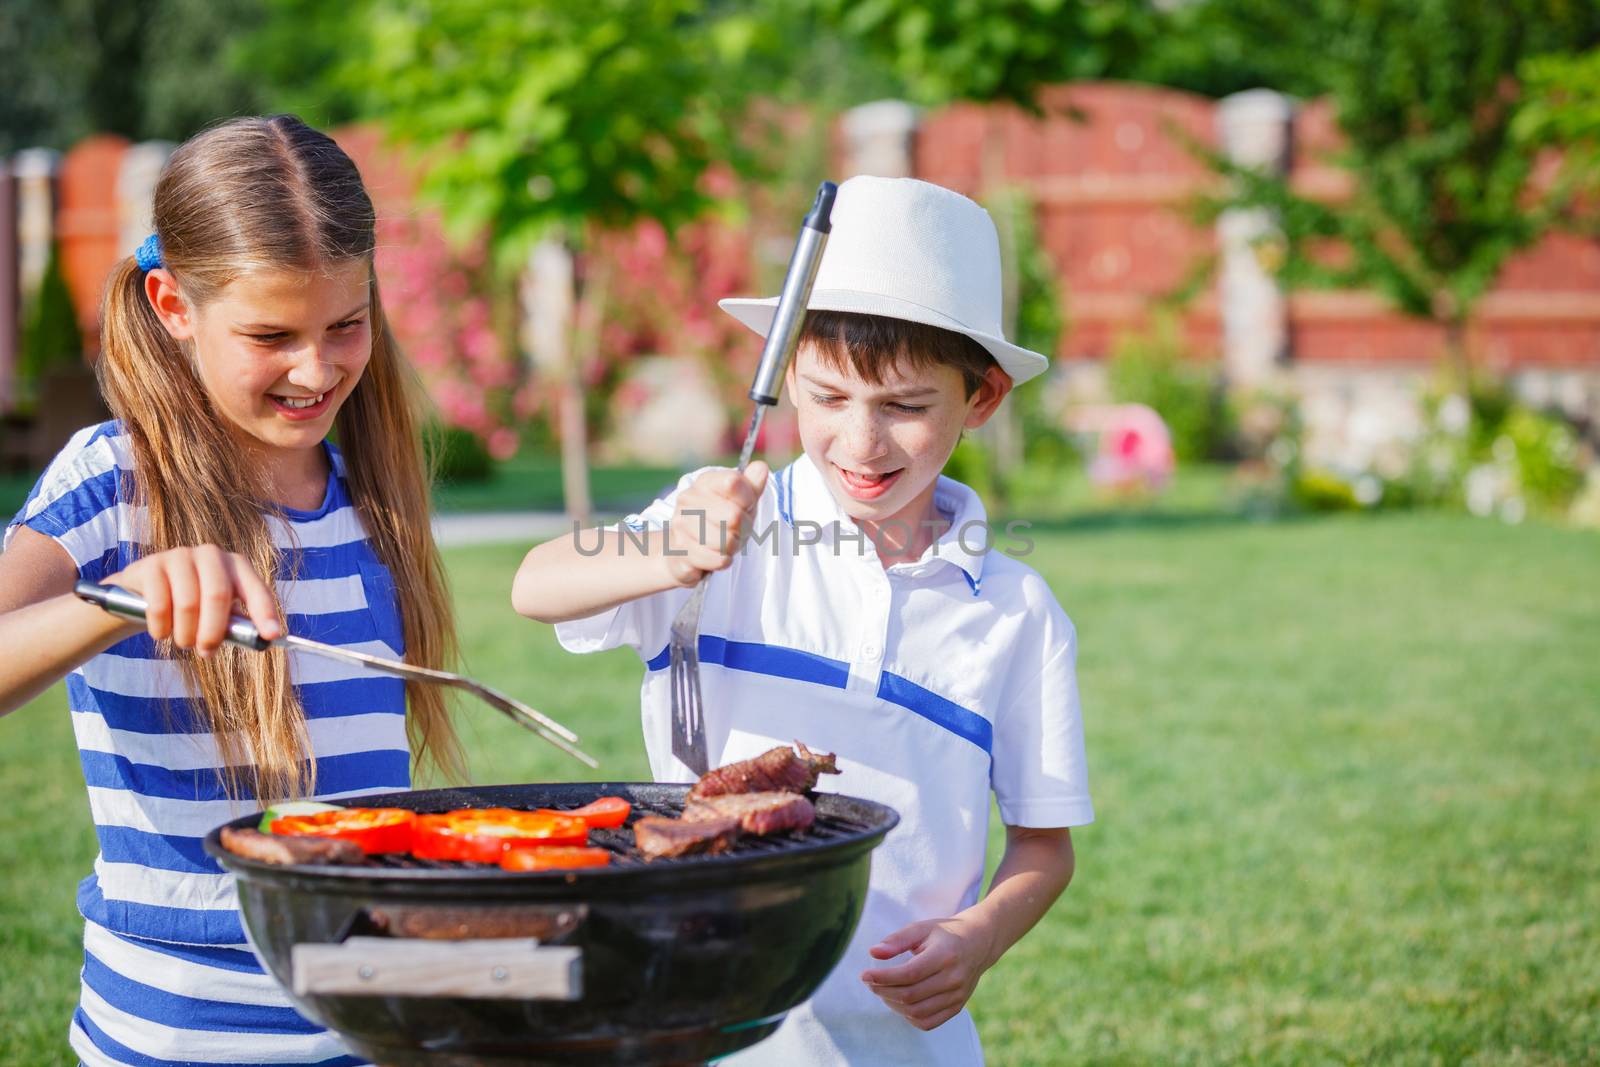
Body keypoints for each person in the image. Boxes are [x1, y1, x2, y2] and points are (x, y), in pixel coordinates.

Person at [512, 176, 1092, 1066]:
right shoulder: (717, 524)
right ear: (785, 377)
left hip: (897, 1043)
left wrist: (979, 936)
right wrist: (667, 550)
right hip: (695, 1024)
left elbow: (1044, 847)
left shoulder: (1017, 615)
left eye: (904, 405)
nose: (861, 443)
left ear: (980, 399)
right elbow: (536, 583)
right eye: (828, 398)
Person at [0, 115, 460, 1067]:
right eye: (271, 334)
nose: (317, 367)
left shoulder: (367, 482)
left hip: (368, 1026)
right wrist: (116, 597)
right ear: (174, 306)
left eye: (346, 324)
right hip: (180, 1041)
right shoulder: (113, 480)